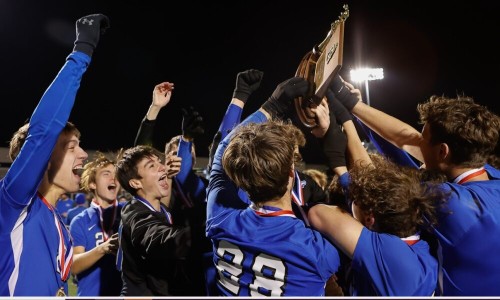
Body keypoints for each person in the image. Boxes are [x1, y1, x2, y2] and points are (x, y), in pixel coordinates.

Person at [330, 74, 500, 296]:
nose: (417, 142)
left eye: (423, 139)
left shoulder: (450, 203)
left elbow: (376, 187)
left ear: (443, 151)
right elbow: (407, 139)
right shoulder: (491, 176)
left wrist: (346, 125)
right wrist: (354, 105)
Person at [0, 14, 109, 296]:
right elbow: (44, 131)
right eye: (71, 147)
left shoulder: (57, 217)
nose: (84, 154)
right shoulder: (15, 204)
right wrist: (82, 51)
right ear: (44, 157)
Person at [206, 76, 341, 296]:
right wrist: (332, 136)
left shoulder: (220, 217)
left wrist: (272, 105)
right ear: (291, 173)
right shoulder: (317, 248)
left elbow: (223, 148)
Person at [115, 145, 191, 296]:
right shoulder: (134, 213)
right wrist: (207, 233)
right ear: (136, 183)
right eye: (152, 166)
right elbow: (158, 238)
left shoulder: (161, 209)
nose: (162, 167)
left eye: (159, 162)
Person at [69, 152, 123, 296]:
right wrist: (103, 248)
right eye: (106, 174)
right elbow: (74, 266)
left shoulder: (129, 214)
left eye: (116, 174)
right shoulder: (80, 221)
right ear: (93, 183)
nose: (113, 178)